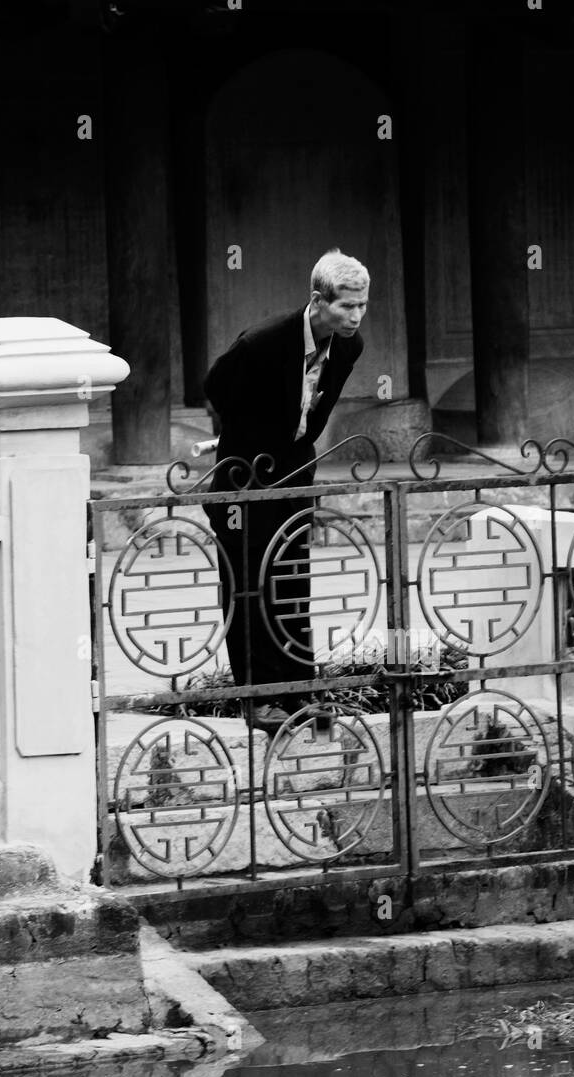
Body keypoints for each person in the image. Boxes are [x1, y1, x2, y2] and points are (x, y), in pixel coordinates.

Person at [203, 249, 368, 731]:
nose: (356, 316)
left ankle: (301, 692)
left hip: (295, 473)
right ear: (318, 301)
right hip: (244, 475)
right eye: (346, 307)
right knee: (248, 584)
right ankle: (258, 696)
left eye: (362, 306)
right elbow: (217, 386)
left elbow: (311, 411)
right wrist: (250, 437)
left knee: (292, 581)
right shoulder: (261, 342)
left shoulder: (348, 347)